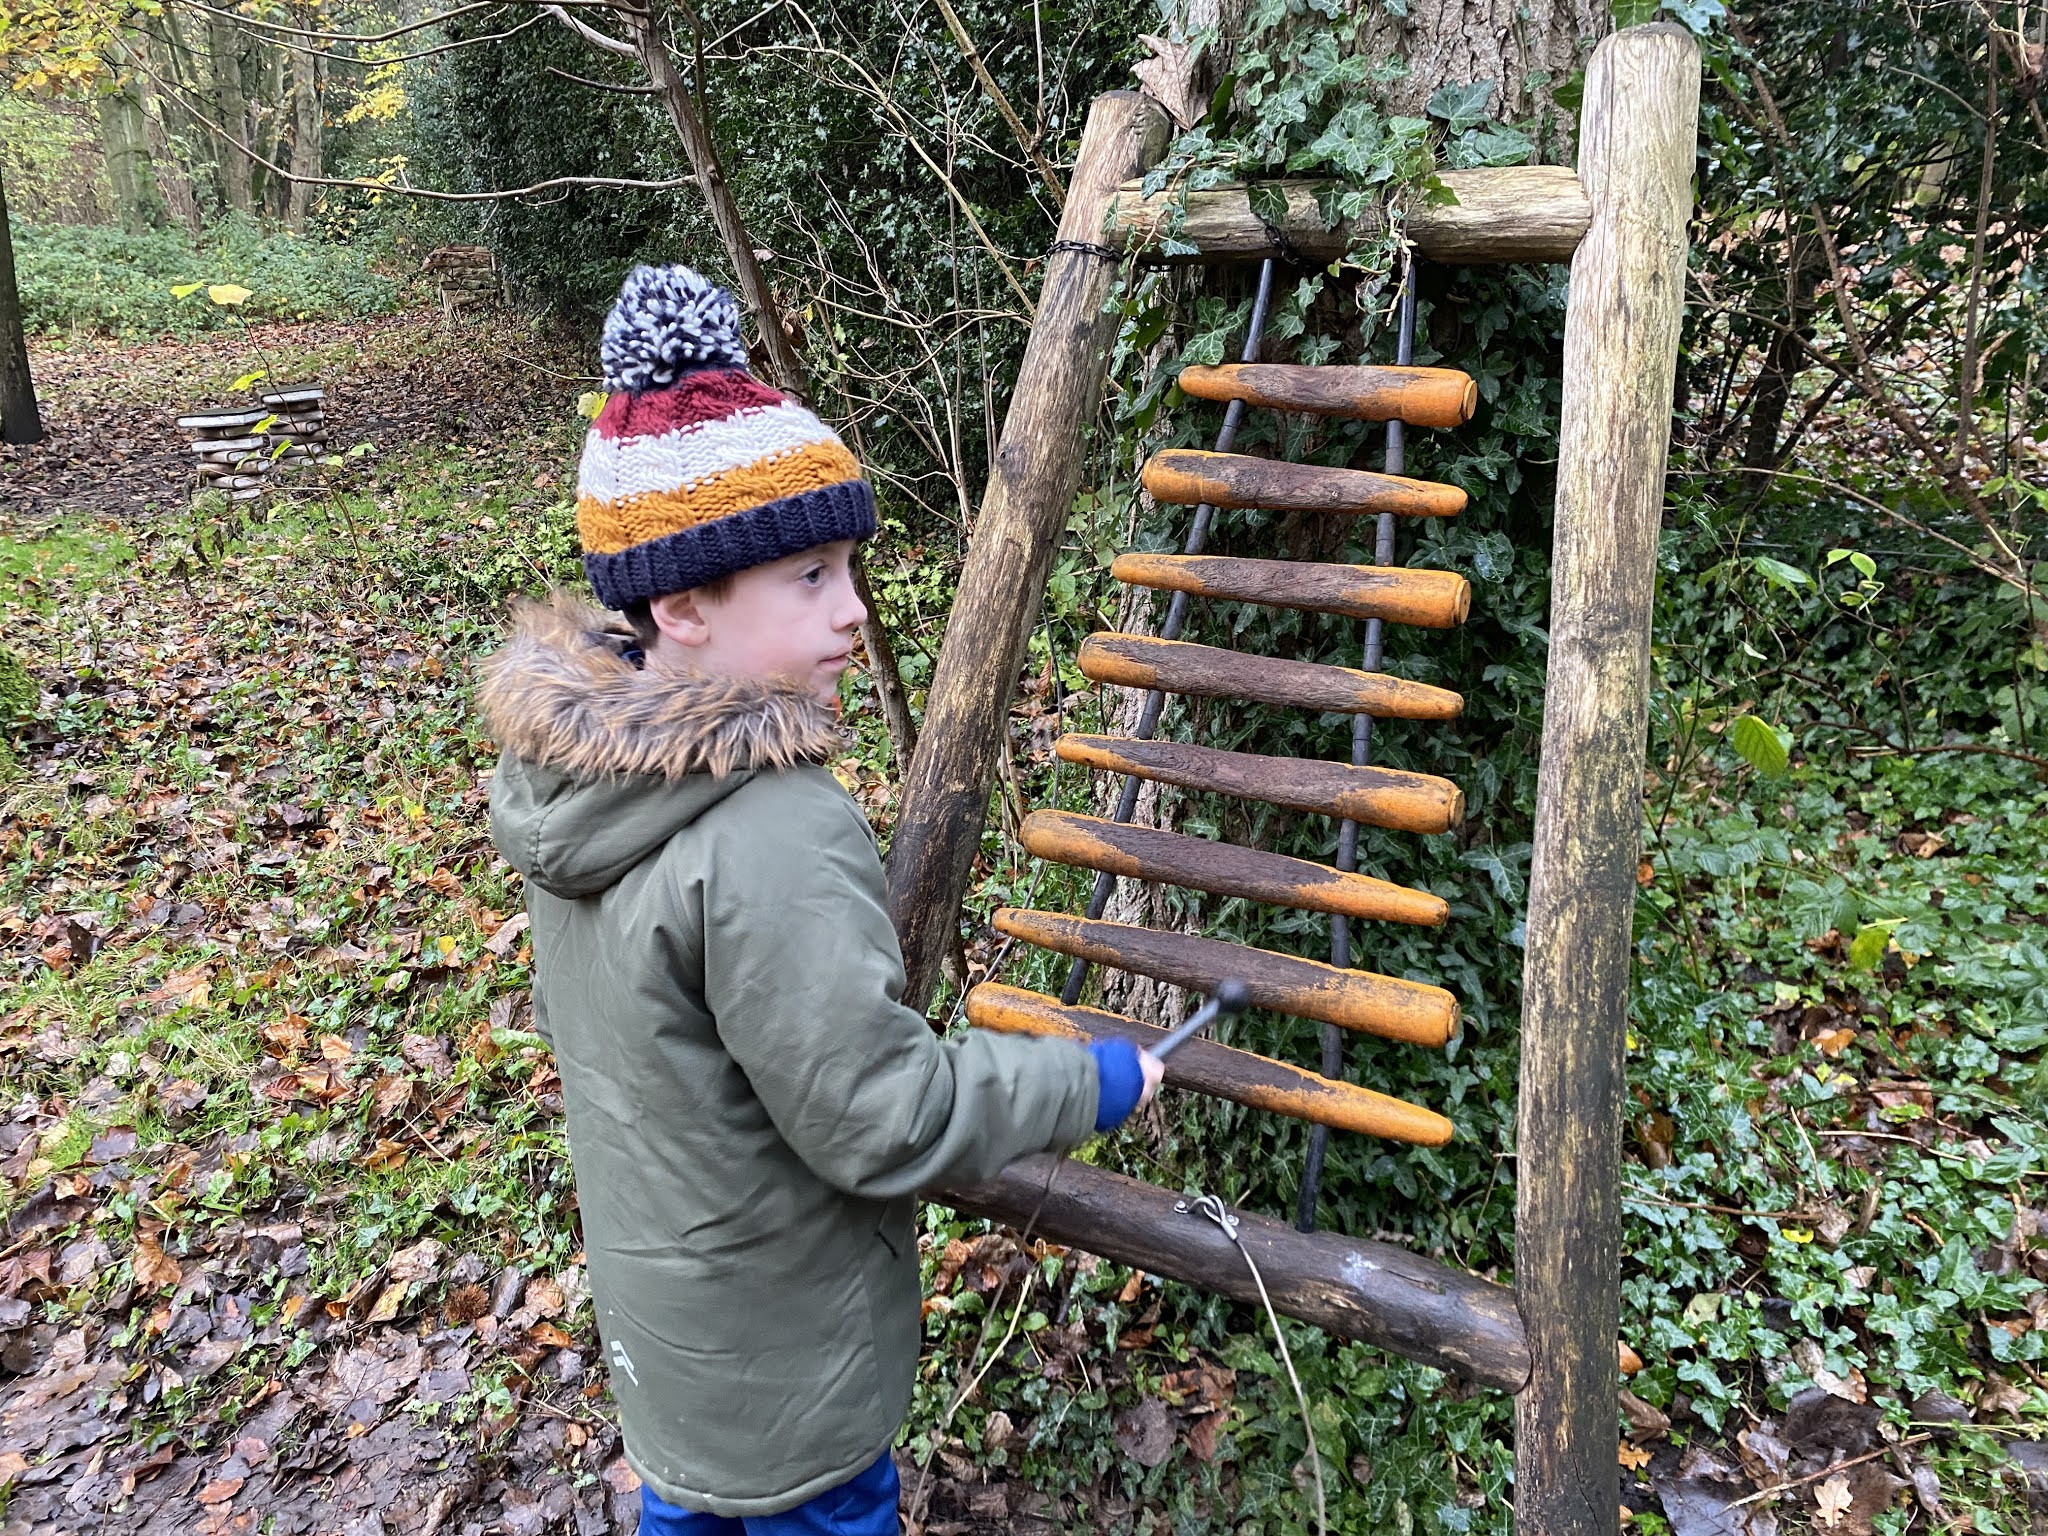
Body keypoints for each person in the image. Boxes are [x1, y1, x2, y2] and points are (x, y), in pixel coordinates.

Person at [480, 264, 1163, 1536]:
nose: (854, 612)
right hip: (794, 1373)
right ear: (679, 604)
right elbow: (879, 1118)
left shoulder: (570, 786)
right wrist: (1092, 1082)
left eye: (848, 567)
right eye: (807, 579)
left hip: (674, 1355)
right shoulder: (771, 826)